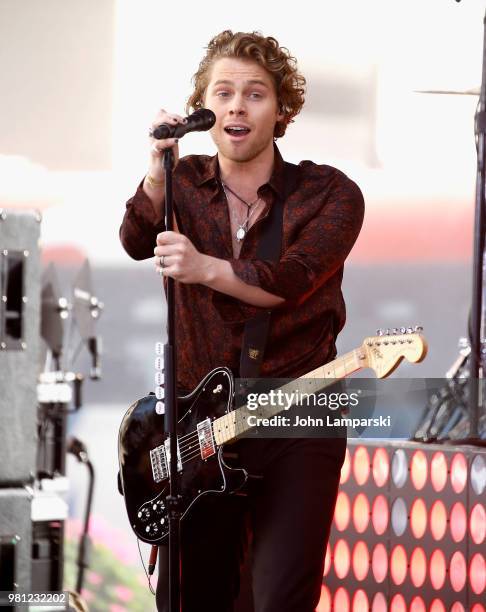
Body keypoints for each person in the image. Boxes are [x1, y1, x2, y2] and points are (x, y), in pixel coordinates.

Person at [120, 30, 364, 612]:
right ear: (204, 110)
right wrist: (156, 169)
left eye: (255, 94)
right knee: (193, 596)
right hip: (197, 425)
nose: (236, 105)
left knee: (279, 596)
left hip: (298, 417)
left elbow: (291, 280)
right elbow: (134, 238)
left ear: (281, 110)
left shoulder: (328, 193)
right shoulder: (182, 183)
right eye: (222, 93)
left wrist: (205, 267)